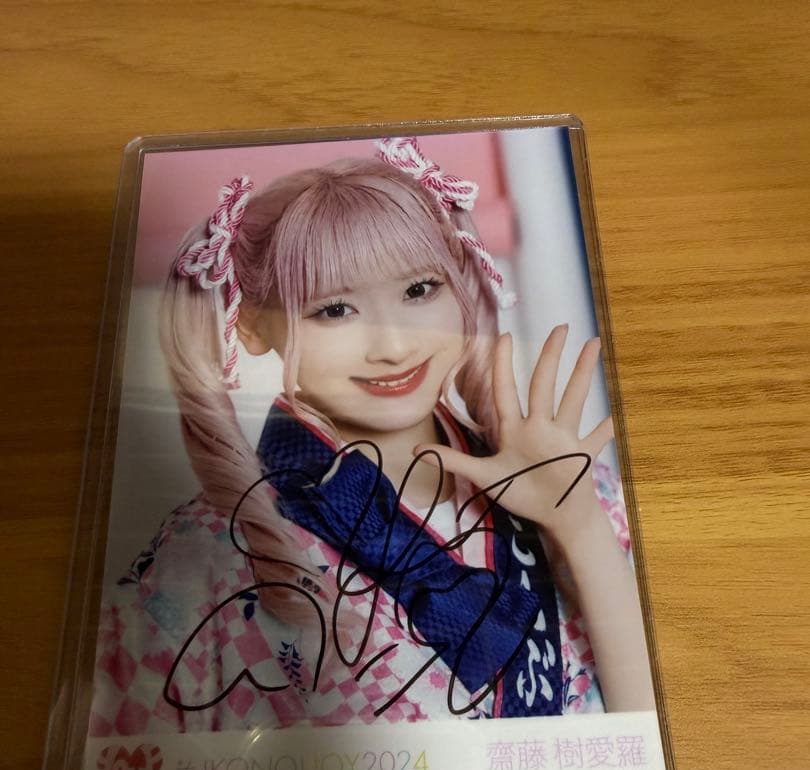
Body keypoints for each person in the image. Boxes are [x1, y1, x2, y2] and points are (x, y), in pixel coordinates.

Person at [91, 137, 655, 737]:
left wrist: (580, 527)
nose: (394, 345)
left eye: (419, 290)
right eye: (334, 309)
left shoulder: (577, 489)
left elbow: (657, 747)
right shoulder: (206, 554)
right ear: (251, 325)